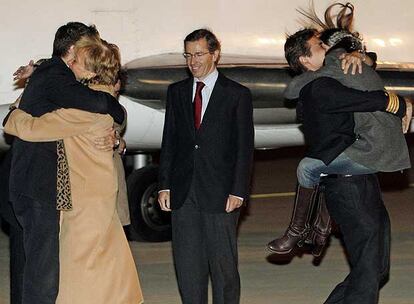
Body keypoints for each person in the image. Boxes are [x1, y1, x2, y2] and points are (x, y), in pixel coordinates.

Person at [4, 37, 143, 304]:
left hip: (84, 197)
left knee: (79, 265)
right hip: (96, 191)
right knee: (102, 258)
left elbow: (28, 128)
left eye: (75, 60)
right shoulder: (99, 101)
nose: (70, 62)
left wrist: (15, 110)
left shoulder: (81, 111)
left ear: (90, 70)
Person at [279, 27, 411, 303]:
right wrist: (397, 103)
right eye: (319, 46)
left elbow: (356, 68)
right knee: (368, 272)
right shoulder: (318, 87)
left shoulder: (329, 77)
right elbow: (365, 99)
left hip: (359, 177)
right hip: (347, 185)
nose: (327, 48)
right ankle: (297, 228)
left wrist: (360, 55)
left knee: (376, 268)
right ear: (305, 59)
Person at [157, 28, 254, 304]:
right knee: (188, 268)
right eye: (188, 55)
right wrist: (164, 184)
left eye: (199, 54)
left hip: (221, 193)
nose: (193, 61)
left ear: (216, 54)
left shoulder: (237, 94)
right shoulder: (175, 92)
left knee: (223, 268)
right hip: (183, 192)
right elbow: (170, 142)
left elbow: (244, 147)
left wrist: (238, 191)